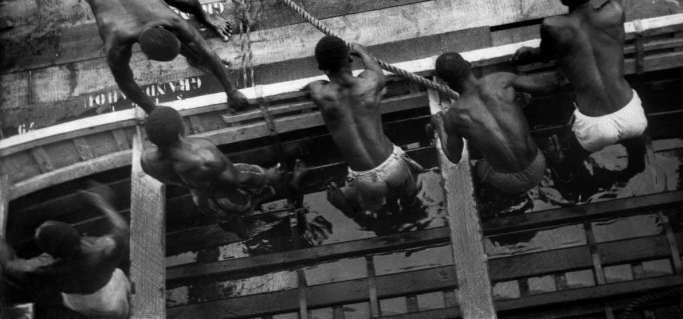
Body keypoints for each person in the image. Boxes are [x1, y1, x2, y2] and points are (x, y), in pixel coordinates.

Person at [512, 0, 647, 173]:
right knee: (637, 160)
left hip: (595, 125)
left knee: (570, 163)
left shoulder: (553, 26)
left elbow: (546, 56)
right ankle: (635, 167)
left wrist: (528, 53)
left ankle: (565, 168)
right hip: (631, 114)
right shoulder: (615, 10)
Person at [80, 0, 249, 113]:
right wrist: (152, 110)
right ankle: (192, 56)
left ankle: (205, 16)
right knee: (190, 43)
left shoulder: (165, 16)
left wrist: (231, 91)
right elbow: (126, 83)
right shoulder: (114, 42)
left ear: (162, 28)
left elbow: (200, 44)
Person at [305, 37, 424, 217]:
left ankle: (373, 217)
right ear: (350, 60)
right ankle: (412, 207)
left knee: (371, 215)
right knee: (410, 197)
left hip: (367, 181)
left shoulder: (319, 92)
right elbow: (374, 68)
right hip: (394, 165)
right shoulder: (370, 82)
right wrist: (361, 51)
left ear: (322, 68)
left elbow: (308, 89)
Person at [141, 106, 306, 225]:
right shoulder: (205, 158)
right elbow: (238, 179)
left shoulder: (146, 160)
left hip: (202, 199)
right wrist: (267, 176)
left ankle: (241, 231)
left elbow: (174, 180)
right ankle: (293, 184)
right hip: (230, 196)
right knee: (266, 184)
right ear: (179, 131)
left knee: (224, 217)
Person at [431, 52, 557, 195]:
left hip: (510, 182)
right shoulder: (501, 80)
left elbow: (454, 158)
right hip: (538, 166)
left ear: (446, 84)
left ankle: (490, 195)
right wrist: (522, 94)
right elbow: (548, 86)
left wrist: (439, 125)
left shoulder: (453, 117)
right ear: (468, 64)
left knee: (479, 166)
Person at [0, 189, 130, 319]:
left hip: (83, 300)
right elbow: (122, 228)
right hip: (109, 290)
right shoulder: (103, 250)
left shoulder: (52, 272)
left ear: (51, 253)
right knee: (118, 308)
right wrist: (101, 202)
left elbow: (11, 267)